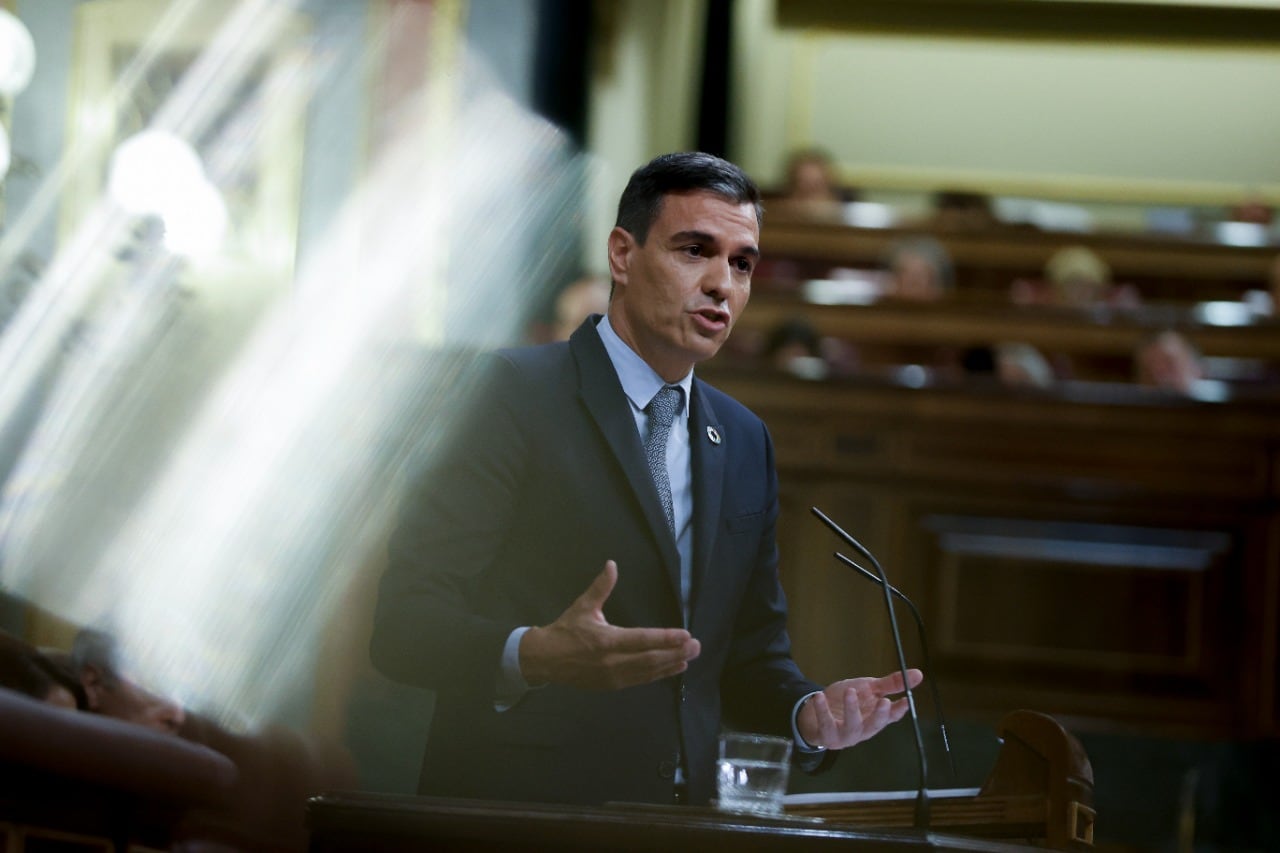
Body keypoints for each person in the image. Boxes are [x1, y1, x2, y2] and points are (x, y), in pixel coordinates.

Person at [370, 152, 922, 807]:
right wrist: (537, 653)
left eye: (742, 263)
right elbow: (403, 623)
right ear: (623, 255)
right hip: (520, 813)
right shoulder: (509, 394)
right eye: (696, 250)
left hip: (679, 823)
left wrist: (809, 715)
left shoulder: (745, 439)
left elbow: (749, 657)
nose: (722, 283)